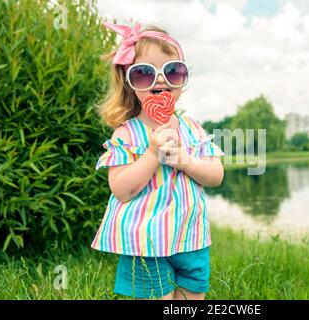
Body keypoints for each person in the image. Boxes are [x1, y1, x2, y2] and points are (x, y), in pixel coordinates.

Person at [92, 21, 225, 300]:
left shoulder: (192, 128)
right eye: (144, 74)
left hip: (192, 238)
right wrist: (152, 154)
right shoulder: (127, 133)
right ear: (130, 84)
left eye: (173, 71)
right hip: (146, 241)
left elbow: (216, 176)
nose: (160, 81)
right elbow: (121, 190)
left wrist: (186, 161)